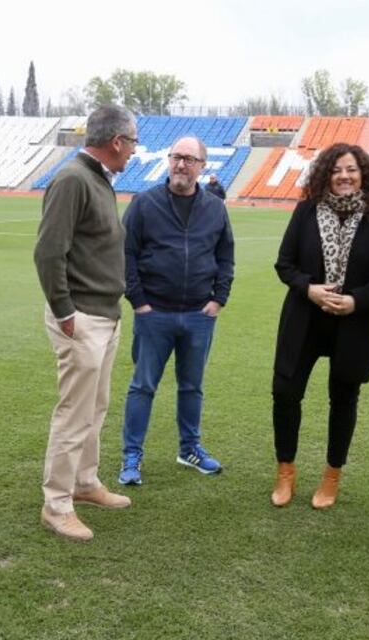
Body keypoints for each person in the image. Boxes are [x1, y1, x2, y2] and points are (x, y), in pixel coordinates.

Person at [270, 143, 369, 509]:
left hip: (354, 323)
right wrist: (308, 289)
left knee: (343, 399)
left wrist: (356, 300)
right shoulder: (306, 211)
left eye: (352, 169)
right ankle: (285, 471)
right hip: (304, 317)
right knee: (285, 392)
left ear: (364, 174)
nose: (344, 176)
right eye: (336, 170)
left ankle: (331, 476)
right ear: (325, 175)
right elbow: (285, 264)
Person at [33, 104, 138, 542]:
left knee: (95, 408)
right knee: (74, 414)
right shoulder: (74, 179)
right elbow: (48, 252)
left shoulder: (97, 179)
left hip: (104, 316)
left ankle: (85, 482)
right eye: (132, 142)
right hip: (82, 318)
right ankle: (57, 504)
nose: (133, 151)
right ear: (116, 141)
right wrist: (64, 310)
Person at [118, 136, 235, 485]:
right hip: (154, 314)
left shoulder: (215, 208)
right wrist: (139, 302)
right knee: (143, 386)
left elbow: (225, 257)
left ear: (202, 166)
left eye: (189, 159)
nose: (181, 164)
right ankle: (132, 456)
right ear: (168, 161)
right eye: (176, 157)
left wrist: (218, 300)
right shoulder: (144, 203)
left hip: (199, 316)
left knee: (192, 387)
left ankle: (190, 448)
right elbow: (126, 254)